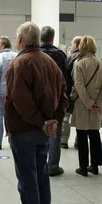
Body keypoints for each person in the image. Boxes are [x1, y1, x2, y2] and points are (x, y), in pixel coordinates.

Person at [4, 22, 68, 204]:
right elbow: (63, 96)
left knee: (27, 180)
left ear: (21, 40)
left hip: (24, 131)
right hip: (43, 132)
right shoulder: (51, 62)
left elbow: (20, 102)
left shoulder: (20, 63)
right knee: (41, 177)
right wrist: (53, 122)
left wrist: (41, 122)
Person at [72, 36, 102, 176]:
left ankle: (83, 167)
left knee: (82, 136)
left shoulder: (79, 63)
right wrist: (98, 103)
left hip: (82, 104)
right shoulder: (101, 63)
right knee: (95, 135)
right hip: (97, 105)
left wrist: (88, 103)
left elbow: (79, 86)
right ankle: (95, 166)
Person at [39, 26, 68, 177]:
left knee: (38, 130)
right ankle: (53, 165)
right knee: (55, 132)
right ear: (52, 38)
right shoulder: (60, 55)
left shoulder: (34, 55)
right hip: (56, 100)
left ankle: (40, 164)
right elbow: (66, 80)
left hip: (38, 101)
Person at [61, 36, 82, 149]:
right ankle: (79, 141)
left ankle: (63, 141)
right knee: (80, 118)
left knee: (66, 117)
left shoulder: (69, 58)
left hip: (69, 93)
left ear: (76, 45)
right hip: (82, 94)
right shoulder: (88, 57)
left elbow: (65, 75)